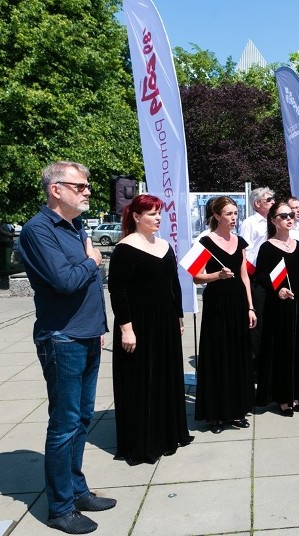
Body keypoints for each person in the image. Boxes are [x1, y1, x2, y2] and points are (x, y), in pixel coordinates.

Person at [19, 161, 115, 534]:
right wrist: (92, 261)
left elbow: (84, 286)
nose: (87, 191)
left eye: (87, 185)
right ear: (55, 189)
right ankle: (60, 508)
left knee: (81, 420)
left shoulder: (77, 227)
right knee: (63, 424)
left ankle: (77, 490)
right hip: (62, 338)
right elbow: (64, 280)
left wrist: (98, 327)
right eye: (80, 186)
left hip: (87, 334)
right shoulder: (38, 230)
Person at [107, 195, 193, 460]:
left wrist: (178, 316)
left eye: (159, 214)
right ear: (136, 217)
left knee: (166, 377)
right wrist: (126, 328)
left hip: (165, 321)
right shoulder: (125, 248)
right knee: (141, 380)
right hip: (138, 322)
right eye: (152, 214)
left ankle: (169, 432)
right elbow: (117, 291)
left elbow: (173, 284)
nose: (158, 219)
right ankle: (144, 441)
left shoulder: (165, 245)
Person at [192, 196, 257, 433]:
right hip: (217, 303)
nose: (233, 218)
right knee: (218, 355)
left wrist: (250, 307)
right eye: (229, 214)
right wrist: (216, 275)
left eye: (235, 214)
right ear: (217, 216)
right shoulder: (204, 242)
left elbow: (244, 277)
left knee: (239, 355)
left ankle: (237, 409)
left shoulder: (240, 241)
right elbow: (196, 276)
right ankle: (217, 414)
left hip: (239, 302)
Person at [254, 201, 299, 415]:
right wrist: (277, 290)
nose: (289, 218)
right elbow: (260, 276)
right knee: (281, 350)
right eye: (283, 216)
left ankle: (296, 394)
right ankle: (282, 397)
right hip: (278, 306)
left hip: (298, 303)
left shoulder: (298, 245)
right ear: (273, 220)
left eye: (291, 215)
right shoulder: (267, 247)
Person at [239, 187, 274, 362]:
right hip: (257, 276)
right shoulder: (250, 223)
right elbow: (245, 251)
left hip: (275, 275)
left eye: (273, 199)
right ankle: (256, 362)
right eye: (269, 200)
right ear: (257, 204)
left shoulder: (275, 221)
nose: (273, 202)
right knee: (258, 321)